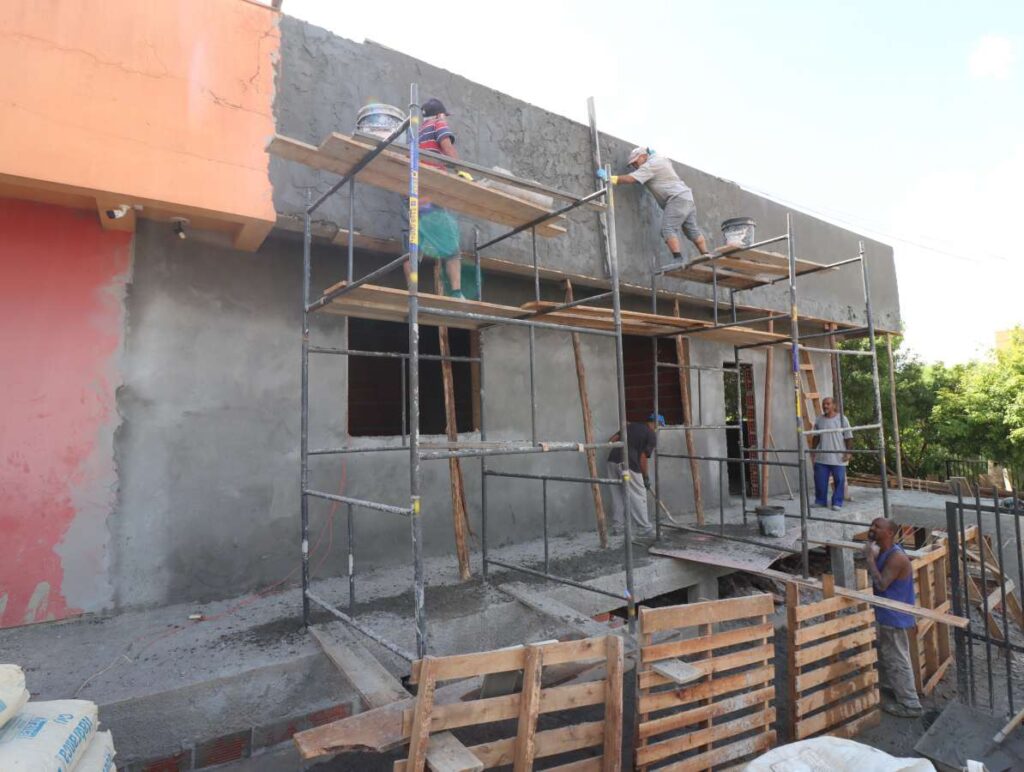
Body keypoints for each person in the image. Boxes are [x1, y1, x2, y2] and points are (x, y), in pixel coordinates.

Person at [404, 98, 470, 299]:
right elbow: (447, 148)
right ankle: (456, 293)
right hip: (431, 193)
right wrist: (461, 171)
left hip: (414, 193)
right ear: (440, 114)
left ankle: (413, 295)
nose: (445, 119)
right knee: (452, 248)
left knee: (414, 245)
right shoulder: (438, 124)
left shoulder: (415, 133)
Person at [597, 147, 709, 261]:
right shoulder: (660, 160)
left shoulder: (650, 165)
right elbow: (653, 169)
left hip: (677, 199)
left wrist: (610, 178)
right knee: (691, 231)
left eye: (635, 162)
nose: (634, 166)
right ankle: (707, 256)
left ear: (643, 156)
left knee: (668, 229)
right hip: (687, 197)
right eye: (632, 165)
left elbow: (631, 179)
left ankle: (678, 260)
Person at [862, 517, 923, 718]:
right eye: (872, 524)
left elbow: (881, 585)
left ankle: (910, 705)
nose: (872, 528)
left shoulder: (897, 558)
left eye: (877, 527)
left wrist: (869, 559)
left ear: (889, 533)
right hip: (887, 614)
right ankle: (897, 690)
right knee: (890, 655)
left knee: (897, 658)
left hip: (894, 617)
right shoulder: (885, 551)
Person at [606, 413, 665, 542]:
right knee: (638, 494)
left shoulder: (630, 426)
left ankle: (618, 528)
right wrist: (645, 477)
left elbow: (612, 440)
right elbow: (643, 458)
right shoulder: (651, 435)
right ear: (657, 424)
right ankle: (644, 529)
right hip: (629, 464)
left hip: (612, 462)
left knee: (617, 495)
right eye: (660, 427)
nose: (658, 430)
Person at [809, 396, 853, 510]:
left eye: (828, 404)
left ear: (834, 405)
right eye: (824, 404)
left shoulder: (842, 419)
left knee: (839, 481)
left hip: (838, 457)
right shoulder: (819, 419)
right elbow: (816, 436)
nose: (825, 406)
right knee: (820, 481)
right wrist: (813, 450)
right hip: (822, 456)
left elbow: (848, 437)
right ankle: (820, 501)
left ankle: (837, 502)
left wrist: (848, 452)